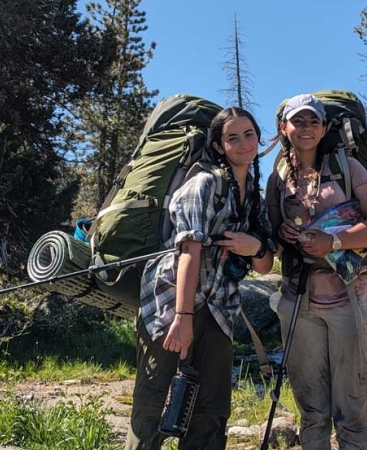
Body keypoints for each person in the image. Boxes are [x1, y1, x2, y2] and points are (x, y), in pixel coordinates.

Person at [126, 107, 275, 450]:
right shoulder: (203, 183)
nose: (242, 143)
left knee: (211, 410)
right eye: (232, 137)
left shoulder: (252, 196)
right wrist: (182, 319)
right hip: (171, 302)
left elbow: (266, 265)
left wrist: (253, 246)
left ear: (258, 138)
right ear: (220, 146)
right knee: (153, 402)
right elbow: (189, 252)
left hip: (221, 309)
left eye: (248, 134)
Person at [265, 94, 367, 450]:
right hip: (298, 299)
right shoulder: (277, 178)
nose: (306, 128)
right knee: (312, 410)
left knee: (352, 410)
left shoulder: (347, 166)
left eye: (313, 122)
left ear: (323, 129)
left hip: (349, 297)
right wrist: (283, 234)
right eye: (298, 121)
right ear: (283, 128)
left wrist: (333, 243)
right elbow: (272, 237)